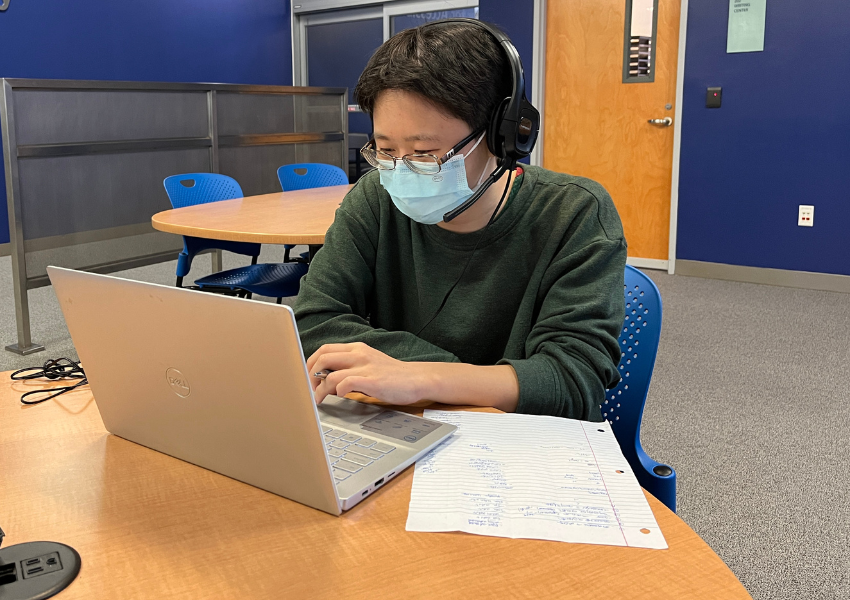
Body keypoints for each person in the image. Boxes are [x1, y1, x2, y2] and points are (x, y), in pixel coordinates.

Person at [293, 20, 626, 422]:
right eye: (385, 150)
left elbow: (573, 384)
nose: (400, 171)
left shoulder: (575, 213)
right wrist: (470, 379)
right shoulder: (375, 199)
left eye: (423, 152)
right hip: (404, 424)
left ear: (501, 136)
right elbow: (314, 321)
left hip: (519, 445)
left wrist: (425, 377)